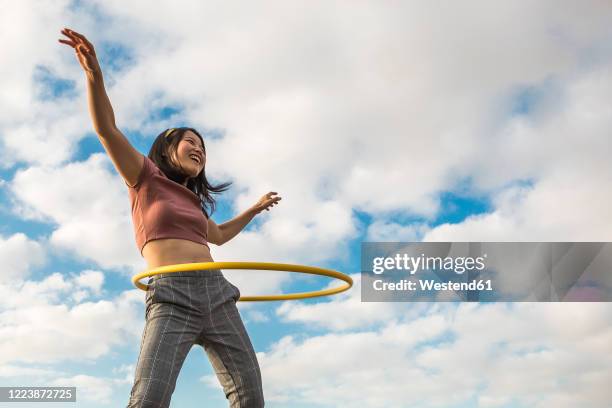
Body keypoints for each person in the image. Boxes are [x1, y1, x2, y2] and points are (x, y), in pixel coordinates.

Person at [59, 27, 280, 408]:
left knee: (250, 398)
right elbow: (106, 130)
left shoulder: (194, 203)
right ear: (167, 148)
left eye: (203, 147)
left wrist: (254, 209)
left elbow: (220, 236)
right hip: (170, 293)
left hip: (217, 293)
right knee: (149, 397)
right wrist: (94, 75)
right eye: (190, 142)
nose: (199, 149)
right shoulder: (144, 177)